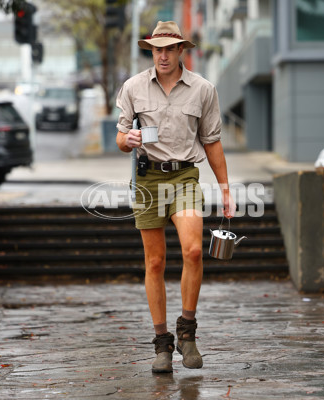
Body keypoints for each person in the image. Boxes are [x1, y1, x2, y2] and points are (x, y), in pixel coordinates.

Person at [115, 20, 235, 374]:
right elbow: (120, 138)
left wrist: (226, 189)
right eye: (157, 49)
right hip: (148, 179)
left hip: (184, 177)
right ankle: (162, 345)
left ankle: (187, 333)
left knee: (194, 250)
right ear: (151, 50)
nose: (163, 55)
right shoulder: (134, 87)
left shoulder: (202, 89)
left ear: (182, 50)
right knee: (154, 263)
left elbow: (212, 142)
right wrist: (129, 140)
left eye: (169, 48)